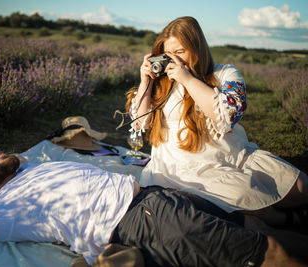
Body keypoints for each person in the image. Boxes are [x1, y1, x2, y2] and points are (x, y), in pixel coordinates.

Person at [0, 146, 308, 267]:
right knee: (268, 256)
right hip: (142, 221)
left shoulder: (29, 168)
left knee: (256, 228)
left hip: (157, 197)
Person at [126, 16, 308, 226]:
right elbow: (140, 123)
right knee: (248, 199)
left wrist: (187, 78)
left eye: (180, 52)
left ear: (197, 48)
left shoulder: (225, 73)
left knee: (302, 187)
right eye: (167, 54)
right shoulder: (162, 82)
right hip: (183, 165)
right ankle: (282, 219)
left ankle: (280, 215)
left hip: (231, 154)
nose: (173, 60)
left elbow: (229, 116)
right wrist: (145, 82)